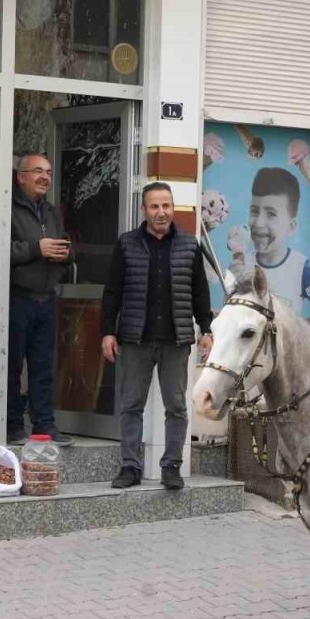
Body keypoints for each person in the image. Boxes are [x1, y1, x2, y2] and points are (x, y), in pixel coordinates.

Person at [101, 183, 214, 490]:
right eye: (154, 206)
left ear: (172, 208)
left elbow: (200, 292)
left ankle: (172, 466)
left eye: (166, 206)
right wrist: (108, 332)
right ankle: (130, 466)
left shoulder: (190, 246)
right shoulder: (127, 244)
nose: (161, 212)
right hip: (135, 339)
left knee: (176, 406)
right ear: (144, 210)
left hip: (175, 341)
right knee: (131, 405)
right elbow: (112, 292)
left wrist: (206, 329)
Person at [8, 152, 75, 447]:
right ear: (20, 176)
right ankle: (11, 426)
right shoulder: (7, 208)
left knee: (43, 367)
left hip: (46, 299)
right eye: (38, 171)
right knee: (11, 367)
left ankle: (44, 426)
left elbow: (61, 245)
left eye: (48, 172)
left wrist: (65, 253)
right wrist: (37, 249)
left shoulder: (51, 211)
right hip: (16, 298)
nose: (45, 177)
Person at [227, 167, 310, 317]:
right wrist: (230, 284)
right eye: (254, 211)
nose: (259, 223)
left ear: (291, 226)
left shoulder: (301, 268)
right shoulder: (242, 266)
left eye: (271, 214)